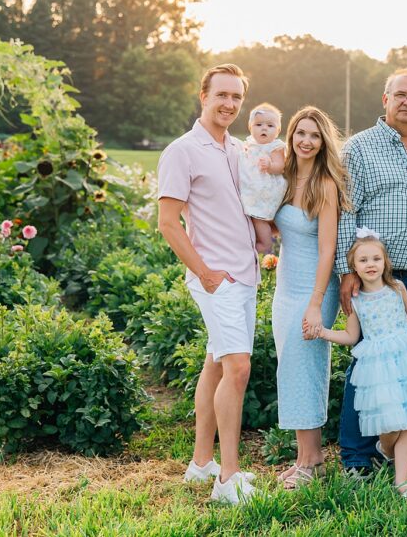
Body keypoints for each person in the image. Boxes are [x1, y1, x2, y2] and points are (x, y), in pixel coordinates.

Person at [335, 68, 407, 475]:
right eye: (400, 94)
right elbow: (346, 210)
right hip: (372, 279)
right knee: (366, 363)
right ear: (385, 99)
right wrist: (345, 271)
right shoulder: (360, 148)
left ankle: (391, 444)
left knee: (402, 362)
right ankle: (355, 454)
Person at [157, 63, 260, 504]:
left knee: (217, 364)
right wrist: (204, 272)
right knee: (238, 368)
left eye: (237, 97)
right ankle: (227, 480)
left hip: (245, 275)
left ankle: (202, 465)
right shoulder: (182, 151)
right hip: (216, 278)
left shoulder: (238, 149)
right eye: (222, 95)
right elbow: (168, 222)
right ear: (203, 96)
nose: (230, 104)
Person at [311, 233, 407, 497]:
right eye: (363, 260)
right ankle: (385, 450)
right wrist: (323, 332)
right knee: (388, 422)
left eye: (376, 258)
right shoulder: (356, 301)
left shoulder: (397, 288)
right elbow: (350, 336)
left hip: (404, 360)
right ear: (354, 266)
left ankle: (402, 481)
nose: (370, 264)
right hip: (377, 368)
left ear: (385, 261)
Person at [270, 106, 349, 489]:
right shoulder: (283, 179)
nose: (306, 140)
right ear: (291, 136)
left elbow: (328, 250)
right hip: (285, 289)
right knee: (291, 367)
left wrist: (316, 303)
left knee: (307, 367)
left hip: (315, 290)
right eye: (300, 133)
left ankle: (313, 461)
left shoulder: (325, 185)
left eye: (314, 135)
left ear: (323, 143)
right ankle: (305, 457)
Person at [239, 102, 287, 253]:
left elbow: (281, 166)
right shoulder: (249, 144)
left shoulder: (274, 147)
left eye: (270, 125)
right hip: (252, 188)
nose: (264, 128)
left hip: (267, 189)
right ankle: (250, 241)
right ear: (250, 127)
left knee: (260, 217)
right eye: (259, 124)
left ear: (278, 130)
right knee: (250, 217)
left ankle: (266, 244)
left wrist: (270, 165)